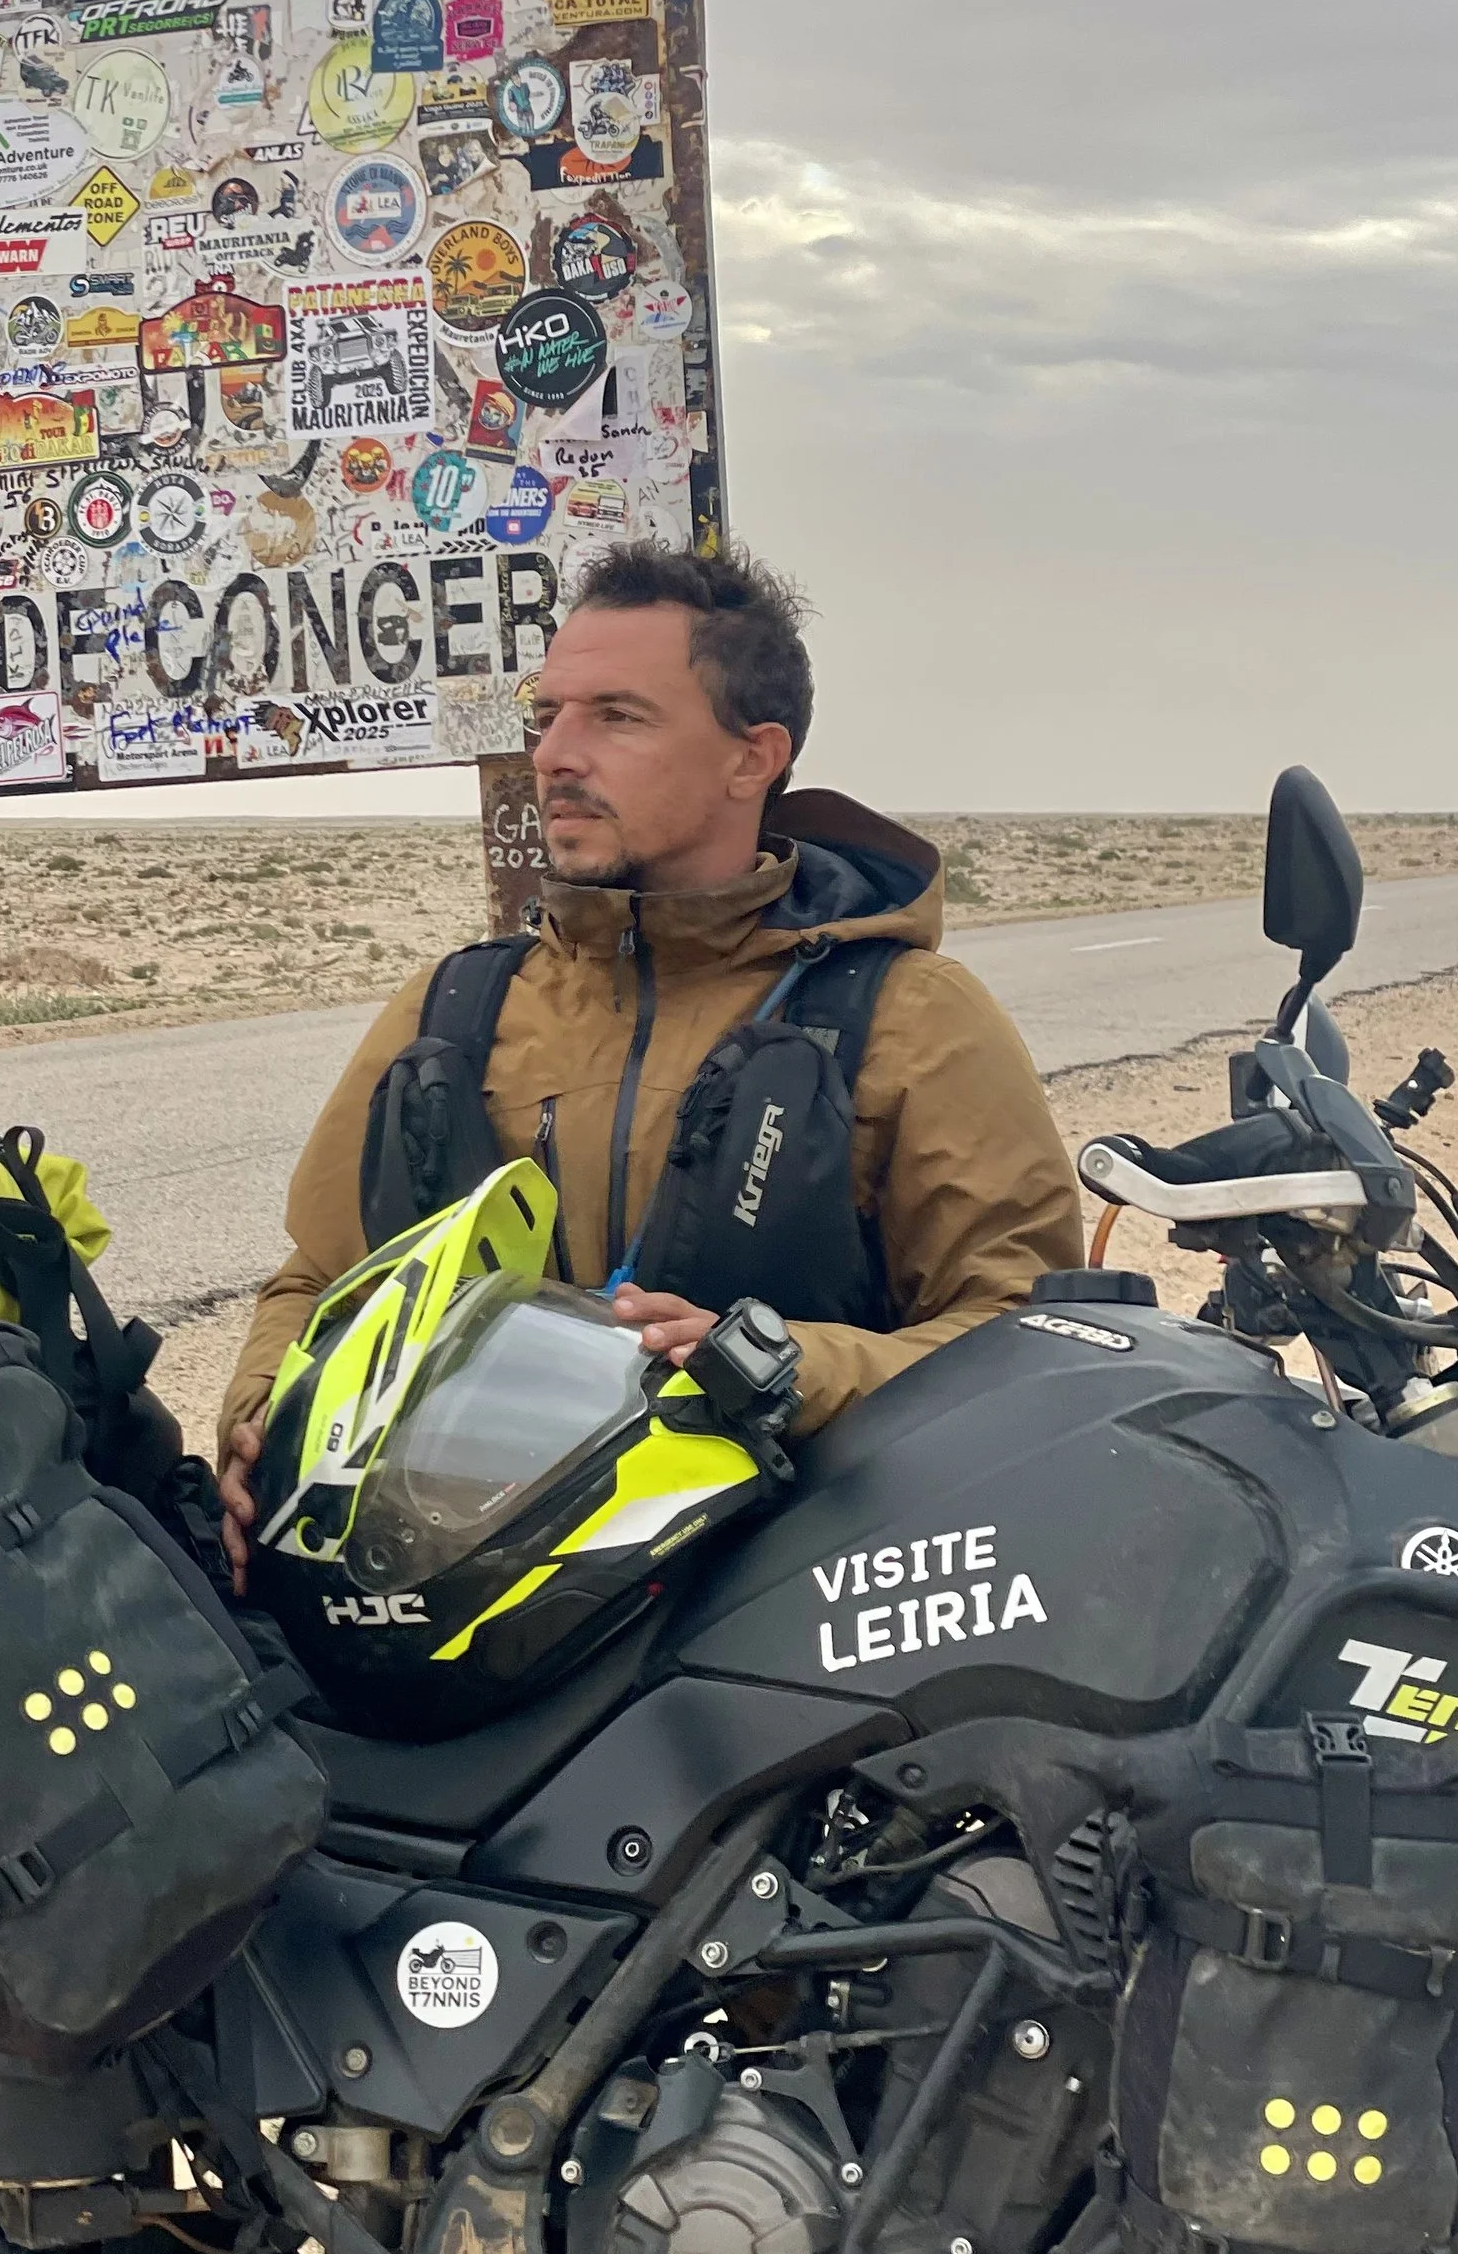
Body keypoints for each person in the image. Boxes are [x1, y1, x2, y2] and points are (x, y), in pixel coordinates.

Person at [218, 540, 1082, 1585]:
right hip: (459, 1619)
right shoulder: (454, 1007)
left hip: (782, 1608)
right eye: (547, 716)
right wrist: (265, 1422)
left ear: (751, 759)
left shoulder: (905, 1015)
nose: (554, 754)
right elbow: (318, 1279)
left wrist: (778, 1366)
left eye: (616, 717)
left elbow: (1028, 1337)